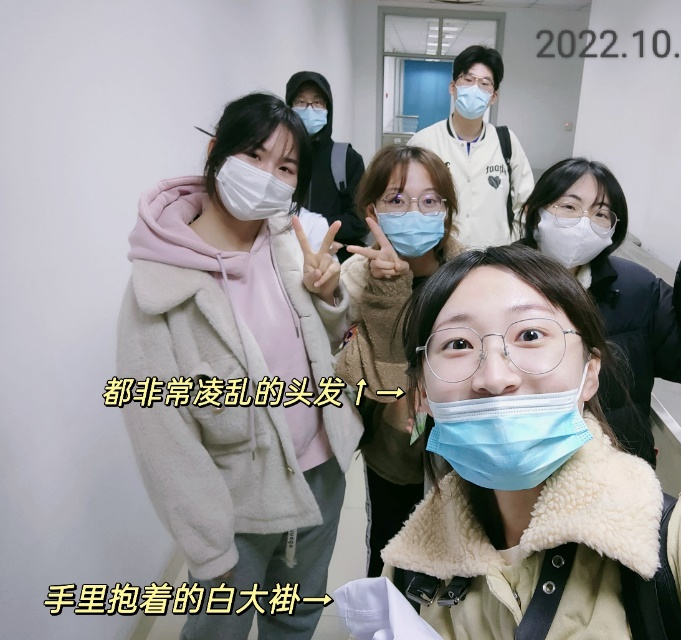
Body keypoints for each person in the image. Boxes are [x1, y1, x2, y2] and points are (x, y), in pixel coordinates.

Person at [374, 244, 681, 639]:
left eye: (531, 334)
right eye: (458, 344)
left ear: (590, 373)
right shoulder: (412, 571)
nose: (495, 376)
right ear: (422, 393)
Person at [117, 92, 363, 640]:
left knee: (297, 617)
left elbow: (323, 345)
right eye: (253, 155)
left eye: (286, 167)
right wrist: (208, 546)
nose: (266, 176)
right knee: (218, 631)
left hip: (322, 471)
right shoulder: (160, 287)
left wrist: (329, 296)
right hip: (238, 504)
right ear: (215, 152)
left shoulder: (288, 243)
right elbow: (161, 437)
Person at [517, 158, 681, 464]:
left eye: (600, 214)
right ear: (535, 213)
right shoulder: (494, 283)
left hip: (619, 470)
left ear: (613, 229)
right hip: (519, 468)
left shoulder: (636, 288)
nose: (584, 223)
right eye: (569, 206)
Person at [334, 144, 465, 578]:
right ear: (372, 209)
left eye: (429, 200)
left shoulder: (468, 273)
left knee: (453, 557)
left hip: (460, 454)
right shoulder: (353, 281)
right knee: (390, 552)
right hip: (392, 455)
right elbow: (357, 377)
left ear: (445, 210)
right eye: (397, 199)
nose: (414, 212)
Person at [407, 45, 534, 249]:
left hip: (496, 257)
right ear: (453, 87)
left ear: (493, 97)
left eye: (484, 83)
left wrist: (512, 246)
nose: (475, 88)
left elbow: (525, 203)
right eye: (468, 80)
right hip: (439, 256)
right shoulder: (423, 142)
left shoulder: (506, 141)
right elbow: (408, 201)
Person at [286, 71, 368, 262]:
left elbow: (360, 220)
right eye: (300, 102)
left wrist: (316, 231)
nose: (309, 109)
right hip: (284, 258)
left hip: (336, 260)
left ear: (328, 109)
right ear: (288, 108)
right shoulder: (278, 157)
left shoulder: (347, 159)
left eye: (318, 102)